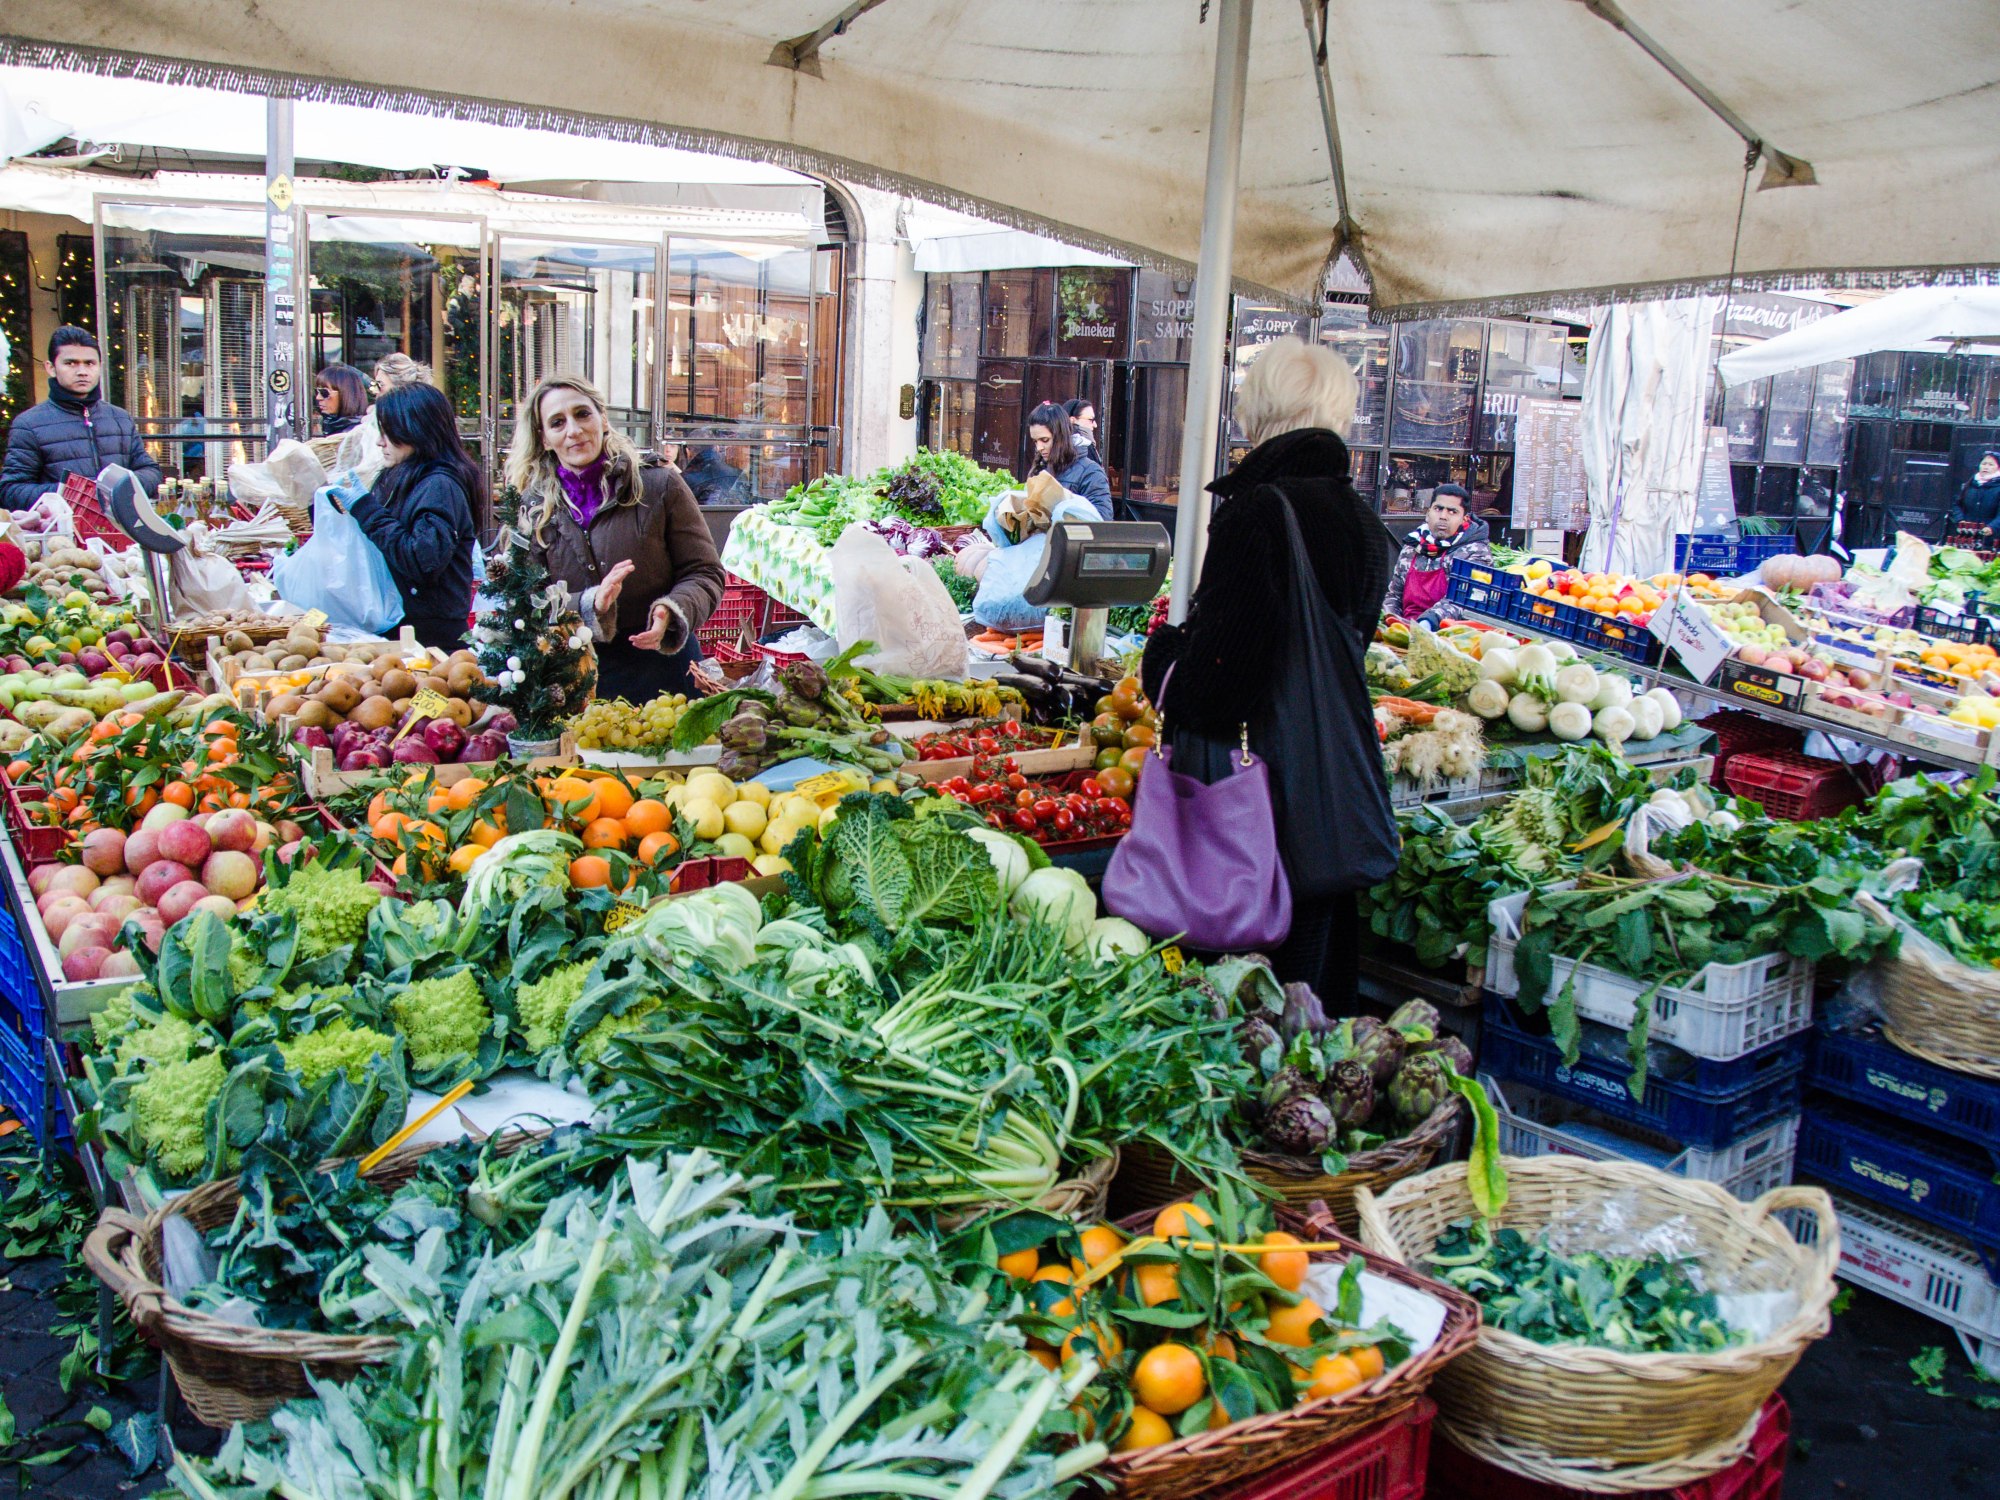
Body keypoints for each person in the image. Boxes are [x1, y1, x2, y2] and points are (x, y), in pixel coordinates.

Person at [1141, 337, 1398, 1010]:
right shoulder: (1365, 523)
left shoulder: (1260, 513)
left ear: (1257, 410)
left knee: (1245, 1011)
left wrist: (1162, 656)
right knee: (1307, 1024)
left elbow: (1217, 685)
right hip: (1327, 801)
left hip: (1255, 815)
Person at [508, 374, 726, 701]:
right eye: (557, 422)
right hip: (577, 675)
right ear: (545, 438)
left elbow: (705, 571)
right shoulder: (533, 508)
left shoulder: (659, 485)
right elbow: (526, 599)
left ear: (602, 419)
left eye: (582, 414)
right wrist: (589, 603)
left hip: (665, 667)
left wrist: (672, 610)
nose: (573, 430)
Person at [347, 383, 480, 651]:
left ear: (415, 431)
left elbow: (423, 561)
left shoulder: (439, 485)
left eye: (388, 432)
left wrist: (367, 510)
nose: (380, 442)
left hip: (432, 641)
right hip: (404, 630)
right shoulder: (404, 476)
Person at [1, 327, 162, 510]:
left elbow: (151, 472)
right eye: (71, 363)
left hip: (120, 524)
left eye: (89, 363)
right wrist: (75, 493)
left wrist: (120, 487)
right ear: (51, 368)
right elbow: (10, 491)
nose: (82, 371)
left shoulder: (120, 418)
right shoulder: (29, 424)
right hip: (64, 524)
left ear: (100, 366)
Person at [1382, 484, 1492, 625]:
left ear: (1464, 519)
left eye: (1452, 512)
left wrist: (1428, 622)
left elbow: (1463, 600)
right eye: (1438, 509)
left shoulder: (1476, 553)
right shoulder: (1413, 546)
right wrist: (1391, 618)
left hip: (1447, 631)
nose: (1443, 516)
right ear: (1428, 513)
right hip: (1404, 627)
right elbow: (1394, 594)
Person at [1025, 401, 1112, 519]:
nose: (1039, 447)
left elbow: (1101, 521)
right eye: (1035, 441)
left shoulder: (1091, 472)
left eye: (1045, 440)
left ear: (1061, 436)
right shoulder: (1041, 468)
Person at [1951, 451, 2000, 538]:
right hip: (1966, 535)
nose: (1986, 467)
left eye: (1991, 465)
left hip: (1990, 536)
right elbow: (1957, 504)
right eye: (1984, 464)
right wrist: (1960, 520)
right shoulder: (1970, 483)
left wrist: (1992, 527)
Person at [313, 363, 370, 437]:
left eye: (324, 392)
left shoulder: (358, 433)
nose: (318, 397)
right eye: (316, 392)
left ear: (345, 394)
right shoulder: (327, 425)